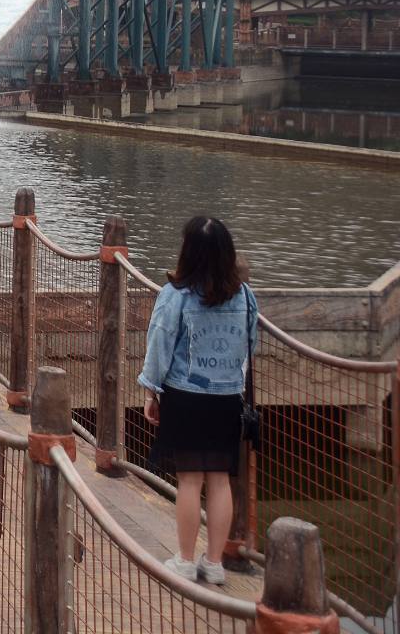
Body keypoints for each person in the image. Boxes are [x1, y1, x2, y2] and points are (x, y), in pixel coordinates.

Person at [139, 216, 258, 587]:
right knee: (220, 479)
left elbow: (160, 342)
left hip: (186, 395)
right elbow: (248, 344)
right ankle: (215, 562)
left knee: (189, 480)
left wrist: (151, 389)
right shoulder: (244, 295)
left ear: (188, 251)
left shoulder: (176, 294)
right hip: (227, 397)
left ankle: (186, 560)